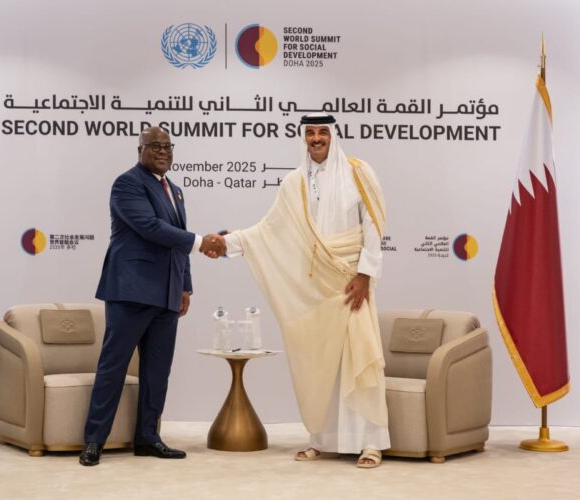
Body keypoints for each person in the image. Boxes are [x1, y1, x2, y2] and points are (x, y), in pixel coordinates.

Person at [219, 113, 389, 468]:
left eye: (322, 132)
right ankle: (323, 440)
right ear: (303, 138)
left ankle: (370, 443)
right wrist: (228, 243)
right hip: (315, 287)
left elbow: (374, 225)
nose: (316, 138)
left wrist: (365, 274)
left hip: (350, 282)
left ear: (333, 136)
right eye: (310, 133)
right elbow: (270, 229)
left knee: (357, 357)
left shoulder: (358, 172)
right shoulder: (293, 182)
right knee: (321, 363)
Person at [79, 126, 225, 466]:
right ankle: (94, 441)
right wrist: (201, 242)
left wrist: (185, 286)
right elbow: (150, 227)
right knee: (113, 367)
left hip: (167, 295)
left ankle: (147, 438)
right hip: (131, 291)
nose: (162, 151)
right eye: (155, 146)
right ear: (140, 150)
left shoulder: (175, 191)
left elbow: (176, 243)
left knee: (158, 372)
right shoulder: (127, 184)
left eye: (168, 146)